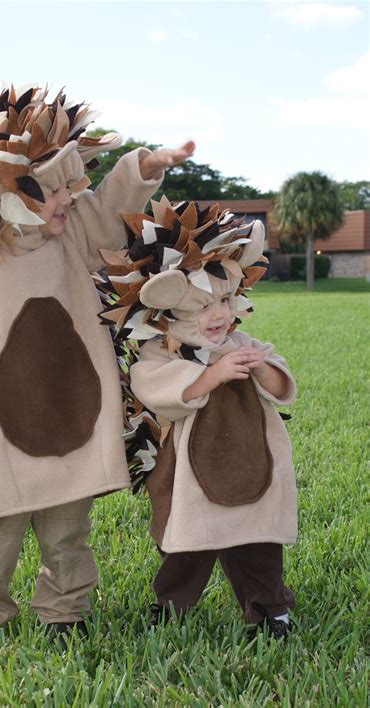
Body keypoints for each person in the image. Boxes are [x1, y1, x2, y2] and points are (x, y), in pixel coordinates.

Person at [0, 81, 194, 639]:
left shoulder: (71, 231)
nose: (69, 201)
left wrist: (144, 164)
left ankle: (65, 613)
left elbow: (108, 207)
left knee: (67, 531)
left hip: (73, 405)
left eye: (71, 188)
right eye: (55, 192)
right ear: (8, 190)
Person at [100, 197, 297, 638]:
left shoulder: (243, 343)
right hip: (188, 476)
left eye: (226, 300)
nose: (220, 315)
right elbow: (154, 388)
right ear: (168, 311)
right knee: (185, 547)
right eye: (203, 307)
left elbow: (283, 388)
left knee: (258, 545)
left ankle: (270, 611)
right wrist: (212, 376)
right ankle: (170, 607)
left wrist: (262, 368)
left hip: (252, 465)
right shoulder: (159, 351)